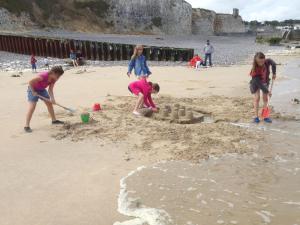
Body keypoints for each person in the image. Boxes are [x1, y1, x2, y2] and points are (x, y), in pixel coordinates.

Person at [24, 66, 65, 133]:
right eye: (58, 76)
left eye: (59, 76)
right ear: (53, 73)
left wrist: (52, 99)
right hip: (32, 89)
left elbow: (50, 90)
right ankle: (26, 126)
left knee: (49, 104)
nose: (58, 78)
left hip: (42, 90)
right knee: (32, 107)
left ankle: (54, 120)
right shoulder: (43, 76)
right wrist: (33, 91)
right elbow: (30, 82)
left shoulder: (54, 79)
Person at [249, 52, 276, 124]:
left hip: (265, 81)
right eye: (259, 62)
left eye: (262, 61)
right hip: (256, 83)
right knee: (257, 98)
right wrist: (268, 91)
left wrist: (274, 73)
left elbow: (273, 63)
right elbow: (260, 84)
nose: (261, 63)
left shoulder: (267, 62)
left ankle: (265, 116)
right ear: (256, 61)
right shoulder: (254, 70)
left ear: (264, 59)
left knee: (265, 98)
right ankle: (256, 116)